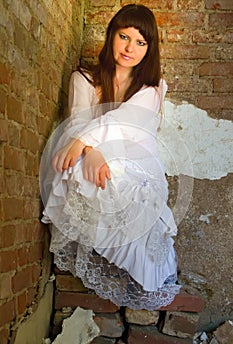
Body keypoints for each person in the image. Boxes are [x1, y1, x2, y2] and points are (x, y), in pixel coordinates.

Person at [40, 4, 181, 310]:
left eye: (140, 42)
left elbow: (133, 128)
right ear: (111, 35)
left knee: (123, 175)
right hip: (92, 155)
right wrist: (90, 151)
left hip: (134, 158)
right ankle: (107, 247)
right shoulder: (84, 78)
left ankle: (145, 271)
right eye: (124, 37)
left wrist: (92, 145)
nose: (130, 48)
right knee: (76, 166)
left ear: (149, 48)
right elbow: (75, 126)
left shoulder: (153, 88)